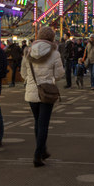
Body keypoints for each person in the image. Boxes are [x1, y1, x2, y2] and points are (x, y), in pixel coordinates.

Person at [21, 26, 64, 167]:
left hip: (32, 91)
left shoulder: (28, 51)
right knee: (43, 124)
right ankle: (38, 154)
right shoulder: (54, 53)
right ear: (52, 38)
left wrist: (31, 80)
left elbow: (23, 74)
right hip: (47, 91)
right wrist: (49, 78)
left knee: (37, 121)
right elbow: (59, 74)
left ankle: (43, 150)